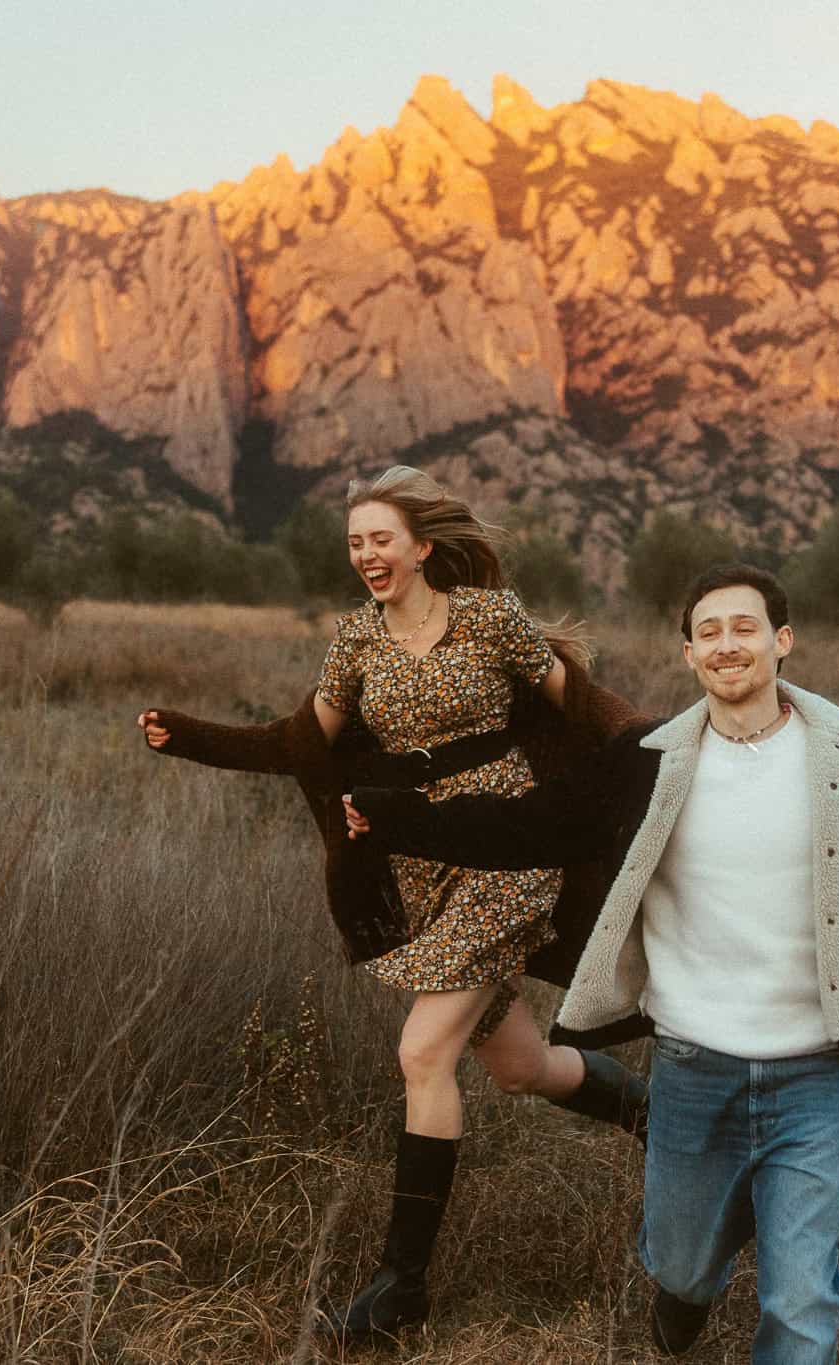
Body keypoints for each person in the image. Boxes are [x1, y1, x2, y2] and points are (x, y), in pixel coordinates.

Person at [346, 562, 839, 1364]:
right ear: (688, 653)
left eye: (745, 626)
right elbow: (527, 826)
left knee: (801, 1304)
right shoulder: (646, 762)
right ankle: (687, 1283)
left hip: (817, 1074)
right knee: (684, 1263)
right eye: (709, 632)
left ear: (782, 640)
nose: (728, 645)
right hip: (693, 1065)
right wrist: (396, 817)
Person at [135, 466, 648, 1346]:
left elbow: (586, 708)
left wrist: (668, 750)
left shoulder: (490, 617)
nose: (366, 554)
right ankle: (661, 1116)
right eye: (354, 542)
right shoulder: (356, 641)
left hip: (512, 848)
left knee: (421, 1052)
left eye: (381, 538)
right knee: (518, 1065)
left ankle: (400, 1288)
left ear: (421, 545)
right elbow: (299, 742)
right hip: (422, 866)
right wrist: (187, 736)